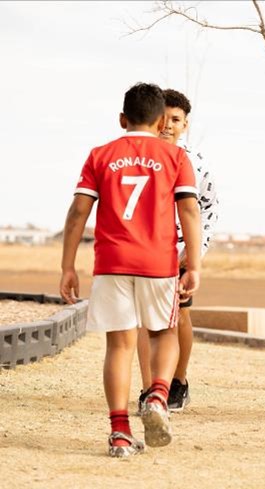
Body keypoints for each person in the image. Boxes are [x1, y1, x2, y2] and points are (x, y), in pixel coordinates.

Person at [59, 82, 201, 457]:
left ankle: (119, 433)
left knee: (119, 346)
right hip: (158, 263)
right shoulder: (175, 157)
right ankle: (157, 393)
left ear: (123, 119)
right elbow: (189, 209)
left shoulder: (100, 155)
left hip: (111, 263)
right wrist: (195, 266)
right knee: (163, 332)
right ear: (160, 122)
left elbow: (77, 212)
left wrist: (67, 266)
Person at [136, 88, 219, 413]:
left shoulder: (195, 162)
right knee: (145, 321)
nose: (168, 125)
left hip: (183, 253)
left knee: (178, 317)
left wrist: (196, 254)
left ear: (185, 124)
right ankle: (147, 389)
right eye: (164, 118)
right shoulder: (141, 156)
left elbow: (208, 210)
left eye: (176, 119)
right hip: (145, 251)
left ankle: (178, 381)